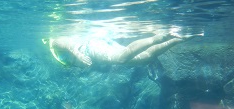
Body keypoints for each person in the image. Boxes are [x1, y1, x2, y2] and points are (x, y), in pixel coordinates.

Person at [43, 31, 203, 67]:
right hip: (94, 49)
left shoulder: (53, 43)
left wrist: (76, 53)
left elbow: (61, 43)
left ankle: (158, 37)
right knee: (145, 58)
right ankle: (177, 38)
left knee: (121, 58)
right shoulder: (51, 48)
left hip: (90, 49)